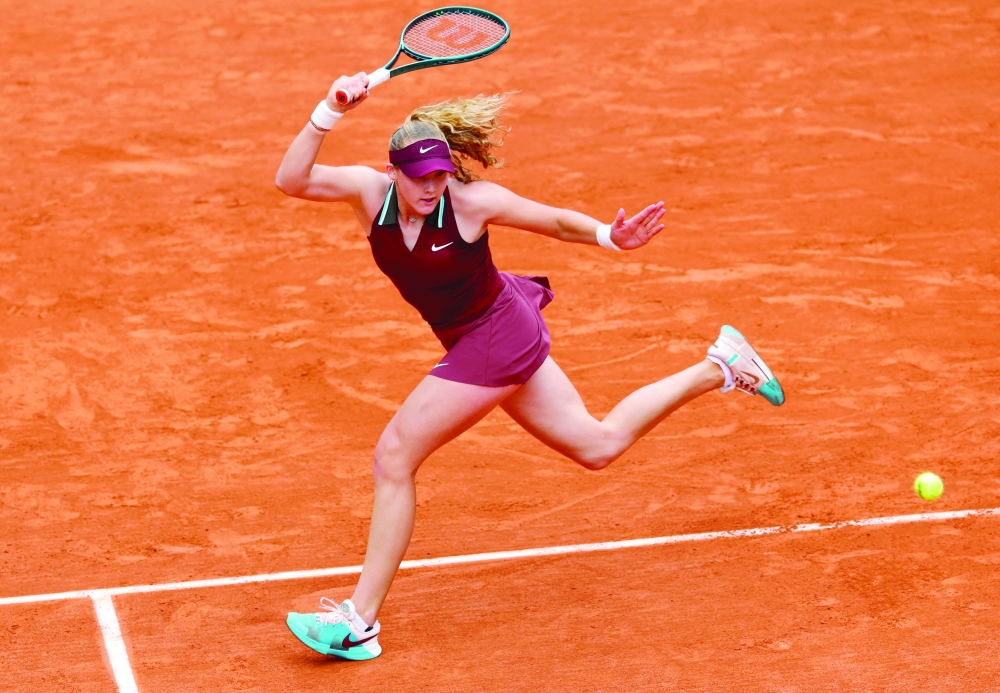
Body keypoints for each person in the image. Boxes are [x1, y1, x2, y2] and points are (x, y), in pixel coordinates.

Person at [275, 72, 785, 661]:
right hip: (482, 333)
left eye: (440, 174)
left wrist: (610, 238)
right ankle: (719, 365)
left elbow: (555, 222)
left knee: (394, 455)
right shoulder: (368, 192)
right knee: (597, 445)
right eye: (419, 178)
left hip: (495, 334)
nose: (432, 187)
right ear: (393, 173)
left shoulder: (469, 202)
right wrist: (329, 110)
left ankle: (360, 620)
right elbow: (291, 180)